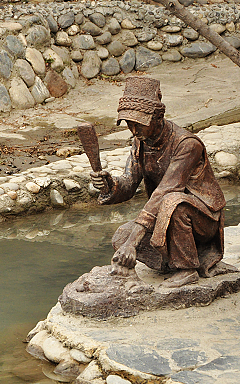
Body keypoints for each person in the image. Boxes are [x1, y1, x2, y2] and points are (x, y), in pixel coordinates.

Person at [90, 76, 227, 288]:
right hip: (164, 216)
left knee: (173, 202)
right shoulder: (140, 142)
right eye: (129, 124)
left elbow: (166, 190)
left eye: (139, 124)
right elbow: (129, 182)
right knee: (122, 236)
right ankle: (170, 262)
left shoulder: (187, 144)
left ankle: (187, 269)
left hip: (202, 220)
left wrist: (133, 243)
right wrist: (110, 185)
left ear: (157, 117)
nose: (134, 131)